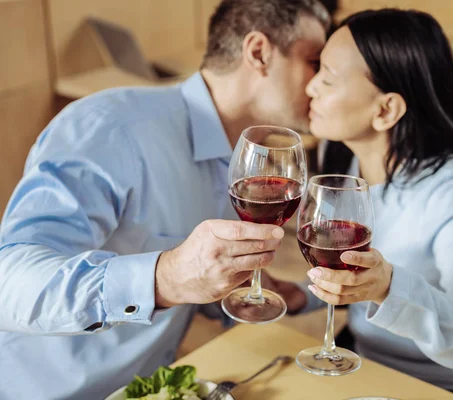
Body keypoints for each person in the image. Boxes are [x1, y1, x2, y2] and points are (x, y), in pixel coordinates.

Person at [0, 1, 329, 398]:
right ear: (258, 52)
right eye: (315, 62)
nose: (319, 84)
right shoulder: (109, 129)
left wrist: (263, 290)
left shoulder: (244, 163)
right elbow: (9, 283)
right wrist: (165, 276)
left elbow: (191, 286)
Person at [267, 8, 453, 400]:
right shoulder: (342, 157)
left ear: (385, 111)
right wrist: (300, 293)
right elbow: (348, 268)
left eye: (327, 79)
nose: (310, 89)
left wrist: (388, 287)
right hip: (376, 376)